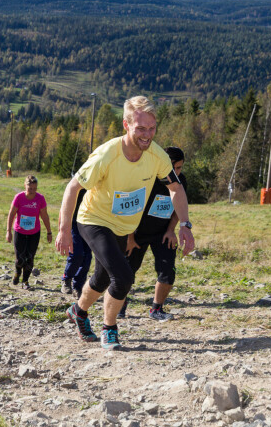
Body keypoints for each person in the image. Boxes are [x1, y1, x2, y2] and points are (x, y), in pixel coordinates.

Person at [56, 96, 195, 350]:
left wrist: (184, 224)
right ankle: (109, 328)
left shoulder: (157, 155)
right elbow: (73, 187)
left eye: (152, 128)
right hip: (94, 220)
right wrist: (64, 230)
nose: (147, 135)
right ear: (126, 125)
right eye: (141, 128)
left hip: (123, 226)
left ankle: (78, 310)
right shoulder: (106, 155)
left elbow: (175, 188)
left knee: (101, 278)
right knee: (123, 276)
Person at [121, 146, 190, 321]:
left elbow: (178, 209)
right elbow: (130, 208)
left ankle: (156, 309)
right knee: (126, 272)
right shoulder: (147, 177)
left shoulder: (180, 182)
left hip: (162, 234)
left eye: (180, 167)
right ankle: (119, 306)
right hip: (136, 234)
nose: (176, 171)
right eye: (174, 167)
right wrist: (129, 237)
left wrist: (170, 230)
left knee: (168, 272)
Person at [6, 175, 52, 289]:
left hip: (34, 233)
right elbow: (11, 214)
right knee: (20, 258)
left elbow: (44, 216)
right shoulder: (19, 198)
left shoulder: (40, 199)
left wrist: (49, 232)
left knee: (30, 258)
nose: (32, 191)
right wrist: (8, 231)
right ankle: (17, 272)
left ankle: (25, 281)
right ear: (25, 186)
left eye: (34, 189)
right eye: (29, 189)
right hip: (20, 232)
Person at [60, 189, 91, 297]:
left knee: (87, 258)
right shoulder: (77, 187)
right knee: (77, 254)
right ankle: (66, 279)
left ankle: (78, 287)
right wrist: (62, 230)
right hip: (74, 223)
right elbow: (64, 207)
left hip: (90, 224)